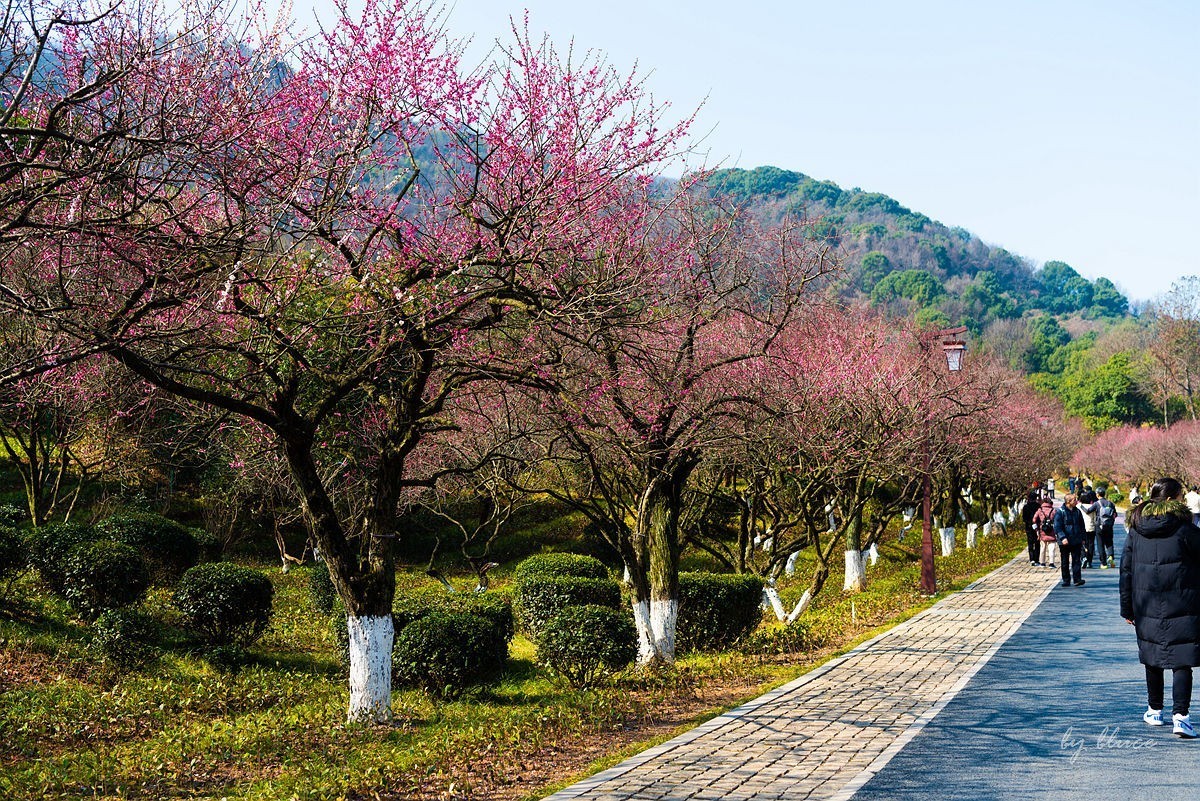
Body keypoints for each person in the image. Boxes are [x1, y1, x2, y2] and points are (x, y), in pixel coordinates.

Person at [1120, 477, 1200, 738]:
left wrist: (1127, 608)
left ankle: (1155, 711)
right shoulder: (1185, 528)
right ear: (1171, 499)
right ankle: (1181, 717)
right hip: (1184, 602)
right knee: (1182, 660)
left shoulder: (1136, 528)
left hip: (1145, 604)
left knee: (1152, 658)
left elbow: (1126, 570)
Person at [1054, 493, 1087, 587]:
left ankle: (1077, 579)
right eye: (1074, 500)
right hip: (1064, 542)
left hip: (1076, 540)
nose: (1076, 501)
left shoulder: (1077, 512)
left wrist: (1083, 538)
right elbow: (1057, 527)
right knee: (1065, 561)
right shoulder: (1060, 512)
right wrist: (1063, 537)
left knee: (1077, 560)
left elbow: (1082, 526)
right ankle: (1066, 580)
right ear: (1068, 502)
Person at [1093, 487, 1118, 568]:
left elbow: (1088, 511)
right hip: (1109, 526)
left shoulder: (1096, 504)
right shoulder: (1110, 503)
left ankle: (1103, 563)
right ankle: (1111, 556)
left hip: (1099, 526)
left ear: (1097, 494)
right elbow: (1115, 514)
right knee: (1109, 542)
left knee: (1100, 544)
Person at [1032, 496, 1057, 569]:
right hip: (1051, 530)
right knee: (1051, 548)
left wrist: (1036, 530)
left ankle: (1042, 562)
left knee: (1042, 547)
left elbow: (1034, 520)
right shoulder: (1053, 510)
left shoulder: (1040, 510)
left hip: (1042, 530)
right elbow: (1057, 520)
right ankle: (1051, 563)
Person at [1078, 483, 1099, 568]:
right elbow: (1094, 518)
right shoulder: (1092, 507)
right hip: (1091, 528)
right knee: (1090, 544)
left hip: (1081, 529)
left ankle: (1083, 558)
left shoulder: (1078, 506)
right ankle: (1090, 561)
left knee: (1082, 544)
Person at [1022, 490, 1040, 565]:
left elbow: (1024, 518)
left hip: (1028, 527)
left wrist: (1029, 522)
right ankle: (1036, 559)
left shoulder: (1025, 507)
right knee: (1037, 542)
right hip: (1037, 527)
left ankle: (1031, 558)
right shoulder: (1038, 506)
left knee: (1030, 542)